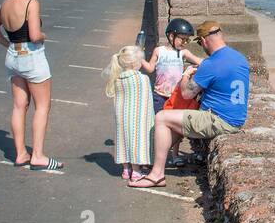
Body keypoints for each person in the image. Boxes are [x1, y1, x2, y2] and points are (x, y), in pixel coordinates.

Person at [129, 20, 249, 188]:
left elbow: (187, 93)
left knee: (162, 118)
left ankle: (156, 174)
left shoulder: (211, 63)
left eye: (199, 43)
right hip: (237, 117)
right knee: (177, 120)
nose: (201, 47)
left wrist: (186, 75)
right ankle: (152, 159)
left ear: (204, 40)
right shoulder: (239, 58)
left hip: (219, 120)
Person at [0, 0, 64, 172]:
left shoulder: (5, 4)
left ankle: (20, 154)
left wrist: (9, 45)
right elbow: (36, 35)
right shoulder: (31, 4)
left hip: (13, 57)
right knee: (43, 106)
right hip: (32, 56)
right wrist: (45, 37)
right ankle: (38, 155)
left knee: (19, 106)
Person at [104, 45, 154, 181]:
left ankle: (126, 170)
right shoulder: (142, 79)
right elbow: (146, 102)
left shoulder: (117, 78)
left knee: (123, 139)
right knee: (137, 139)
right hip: (137, 117)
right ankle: (136, 171)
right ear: (134, 63)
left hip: (122, 117)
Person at [141, 18, 200, 113]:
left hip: (176, 95)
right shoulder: (159, 51)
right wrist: (140, 59)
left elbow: (199, 61)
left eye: (187, 40)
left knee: (173, 121)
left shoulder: (183, 52)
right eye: (183, 39)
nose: (185, 43)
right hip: (159, 95)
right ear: (172, 36)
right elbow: (150, 68)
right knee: (159, 119)